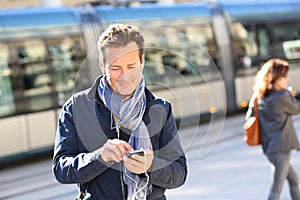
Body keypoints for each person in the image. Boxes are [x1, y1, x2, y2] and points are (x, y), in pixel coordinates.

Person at [52, 23, 187, 200]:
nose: (124, 76)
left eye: (131, 66)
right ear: (102, 65)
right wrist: (98, 158)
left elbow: (179, 173)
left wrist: (151, 165)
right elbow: (61, 169)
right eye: (115, 68)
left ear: (142, 61)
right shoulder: (76, 107)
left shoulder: (160, 108)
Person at [245, 58, 300, 200]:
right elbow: (296, 109)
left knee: (294, 181)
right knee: (276, 189)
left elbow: (249, 117)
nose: (287, 79)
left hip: (270, 148)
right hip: (281, 149)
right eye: (284, 76)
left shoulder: (258, 95)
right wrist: (288, 93)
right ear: (275, 78)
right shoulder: (282, 96)